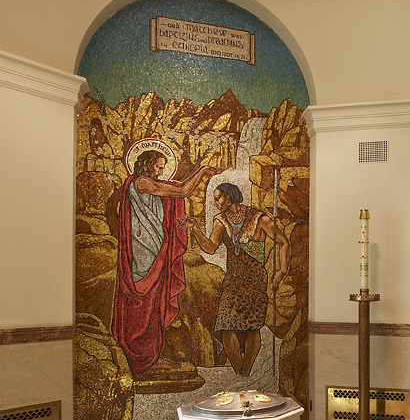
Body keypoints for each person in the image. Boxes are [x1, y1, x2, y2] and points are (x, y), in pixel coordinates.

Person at [111, 151, 221, 376]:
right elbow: (182, 191)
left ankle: (151, 356)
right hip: (143, 256)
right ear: (147, 165)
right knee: (142, 304)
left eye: (163, 168)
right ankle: (138, 357)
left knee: (154, 304)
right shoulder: (141, 182)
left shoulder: (149, 183)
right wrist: (202, 172)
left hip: (155, 252)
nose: (161, 172)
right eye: (159, 167)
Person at [181, 182, 290, 377]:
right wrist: (195, 228)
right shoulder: (221, 221)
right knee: (225, 325)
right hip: (233, 279)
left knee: (252, 327)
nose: (216, 203)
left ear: (229, 197)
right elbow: (210, 248)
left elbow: (284, 243)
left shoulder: (260, 219)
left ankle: (245, 372)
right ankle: (240, 372)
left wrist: (282, 270)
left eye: (218, 198)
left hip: (255, 279)